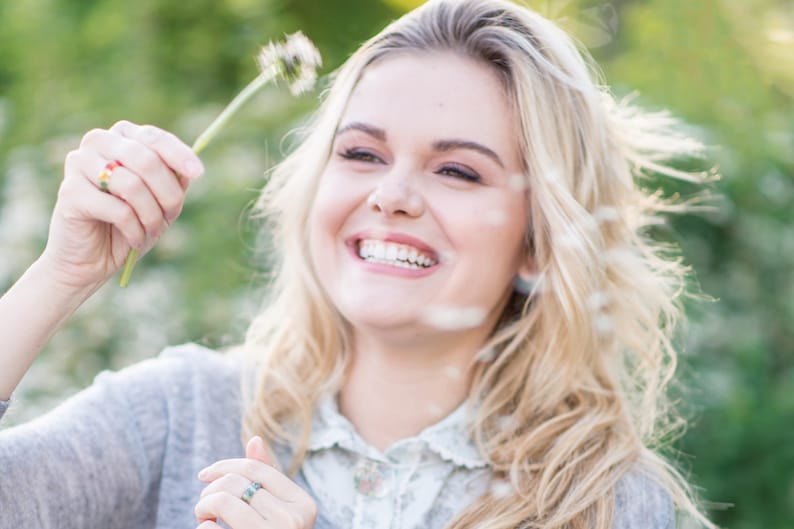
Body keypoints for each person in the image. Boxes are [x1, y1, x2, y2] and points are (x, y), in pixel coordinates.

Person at [0, 0, 716, 527]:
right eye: (362, 153)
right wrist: (57, 277)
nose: (392, 195)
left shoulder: (605, 502)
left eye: (458, 171)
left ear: (536, 240)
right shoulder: (178, 412)